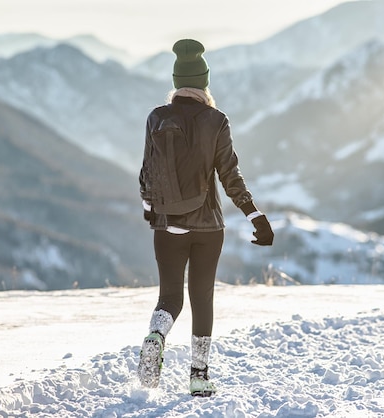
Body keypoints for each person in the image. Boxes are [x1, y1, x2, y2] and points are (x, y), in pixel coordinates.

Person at [137, 39, 274, 397]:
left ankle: (156, 335)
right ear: (204, 84)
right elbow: (230, 176)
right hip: (208, 228)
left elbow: (146, 172)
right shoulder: (217, 120)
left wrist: (153, 211)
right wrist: (254, 214)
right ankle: (199, 375)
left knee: (169, 298)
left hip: (167, 225)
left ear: (176, 81)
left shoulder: (156, 118)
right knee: (202, 298)